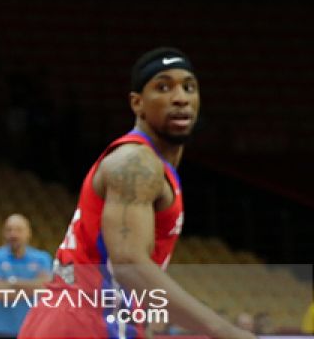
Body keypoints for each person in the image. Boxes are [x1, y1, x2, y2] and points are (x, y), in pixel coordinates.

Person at [19, 48, 254, 339]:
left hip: (77, 318)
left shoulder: (151, 165)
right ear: (137, 103)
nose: (180, 97)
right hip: (84, 323)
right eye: (163, 87)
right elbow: (129, 266)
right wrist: (224, 331)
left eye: (188, 87)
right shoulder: (136, 162)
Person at [0, 214, 52, 337]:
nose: (13, 234)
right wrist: (33, 287)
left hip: (35, 330)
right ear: (3, 233)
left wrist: (13, 282)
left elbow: (45, 288)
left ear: (28, 232)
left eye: (19, 230)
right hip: (1, 331)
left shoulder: (42, 258)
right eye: (9, 230)